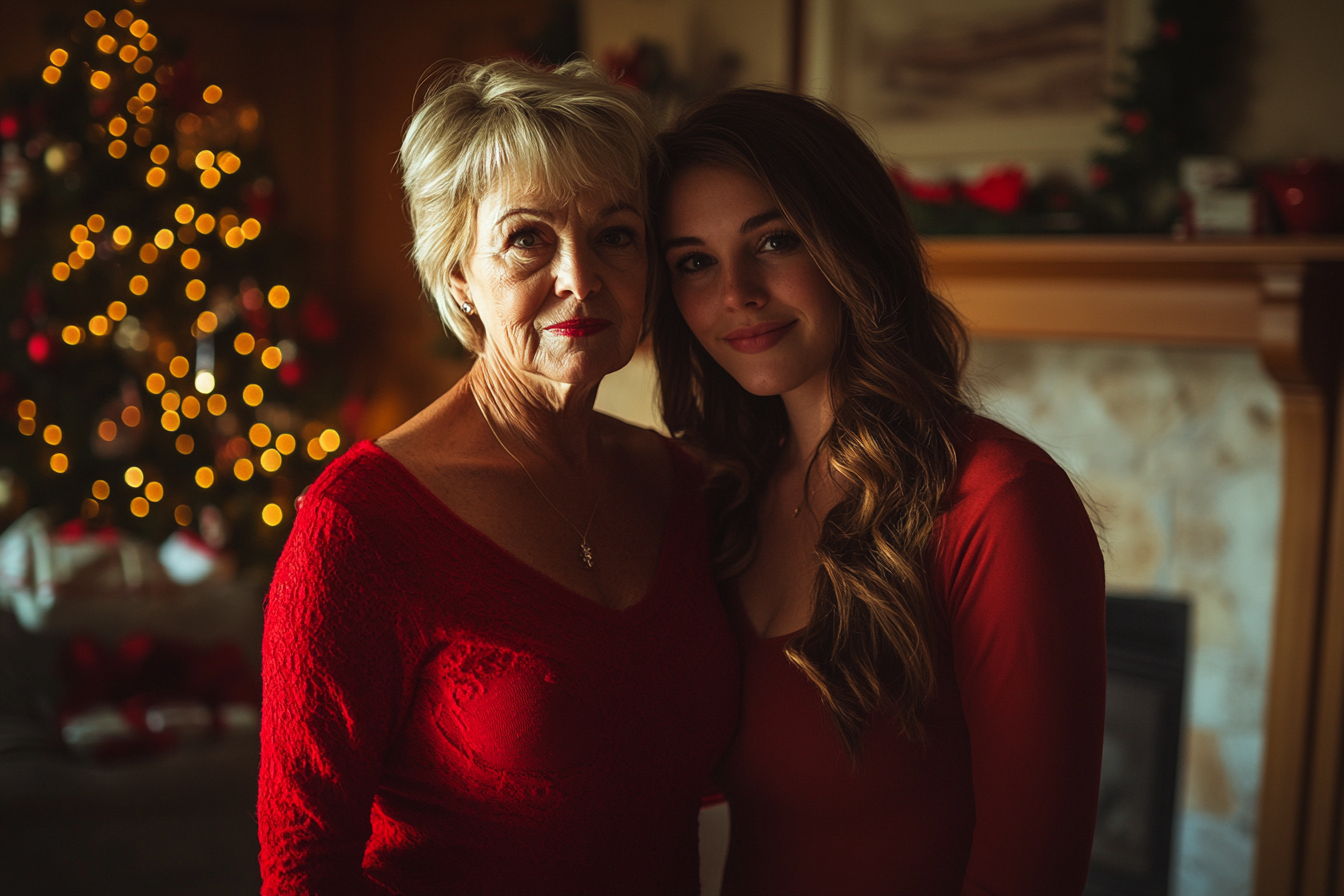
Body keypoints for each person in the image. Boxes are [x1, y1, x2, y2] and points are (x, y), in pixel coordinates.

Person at [257, 59, 739, 896]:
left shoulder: (682, 485)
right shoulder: (359, 526)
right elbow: (304, 869)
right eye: (527, 238)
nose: (580, 279)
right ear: (459, 279)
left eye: (615, 234)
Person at [653, 87, 1107, 896]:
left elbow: (1032, 871)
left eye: (775, 240)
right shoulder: (717, 500)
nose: (737, 293)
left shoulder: (998, 503)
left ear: (851, 242)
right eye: (694, 261)